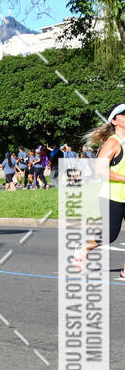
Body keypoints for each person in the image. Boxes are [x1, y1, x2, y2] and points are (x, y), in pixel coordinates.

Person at [74, 104, 125, 279]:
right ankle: (84, 247)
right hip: (112, 195)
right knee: (110, 235)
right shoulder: (113, 142)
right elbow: (100, 169)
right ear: (114, 121)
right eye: (123, 115)